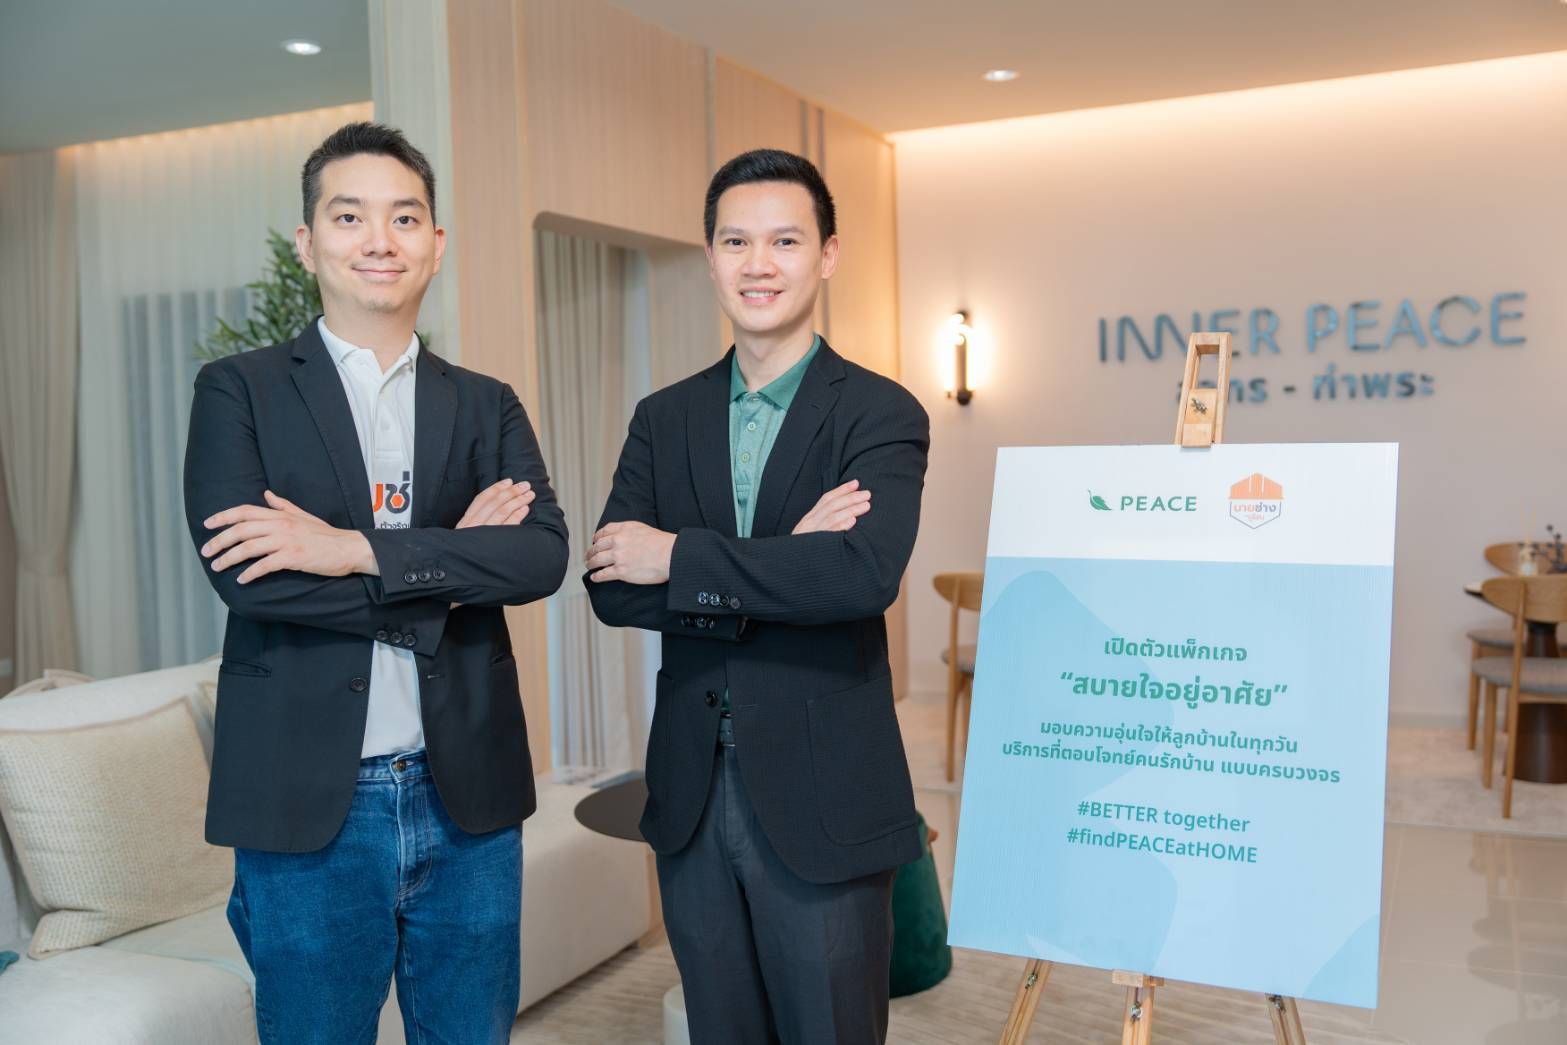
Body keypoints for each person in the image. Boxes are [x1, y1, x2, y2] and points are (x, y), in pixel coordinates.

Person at [183, 121, 566, 1044]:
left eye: (404, 217)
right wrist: (451, 561)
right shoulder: (238, 390)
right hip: (308, 802)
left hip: (466, 793)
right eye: (349, 216)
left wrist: (351, 549)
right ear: (308, 241)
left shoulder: (486, 402)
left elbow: (539, 557)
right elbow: (251, 578)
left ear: (436, 242)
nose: (379, 240)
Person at [585, 148, 928, 1044]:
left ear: (827, 254)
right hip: (692, 789)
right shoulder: (663, 417)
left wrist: (678, 557)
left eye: (784, 240)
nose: (758, 263)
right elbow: (613, 586)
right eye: (735, 241)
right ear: (710, 258)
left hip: (826, 792)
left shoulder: (879, 413)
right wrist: (786, 563)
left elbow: (860, 576)